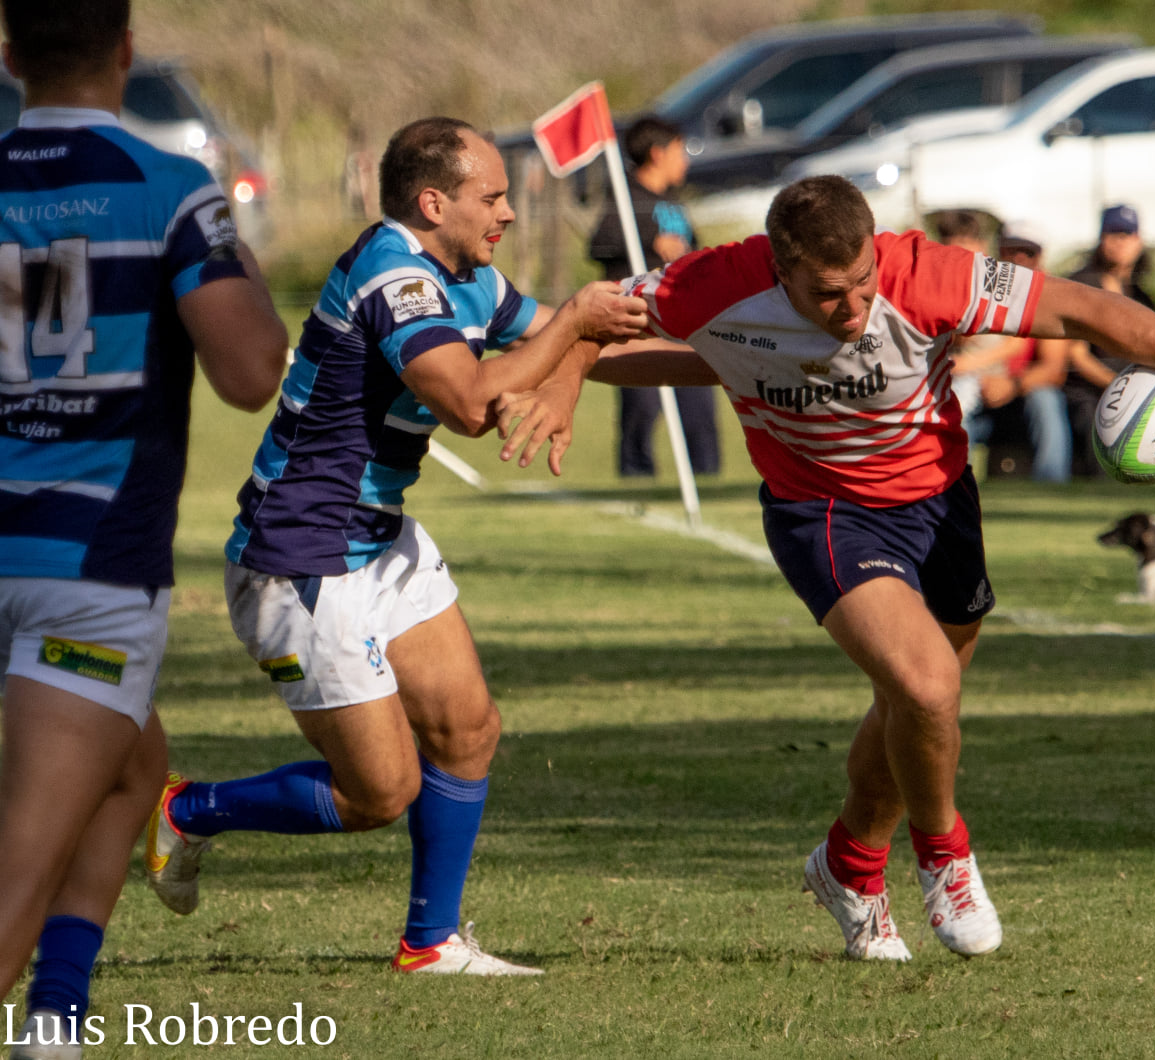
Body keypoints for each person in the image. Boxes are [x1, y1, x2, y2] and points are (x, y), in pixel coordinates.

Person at [498, 176, 1155, 961]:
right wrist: (567, 378)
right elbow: (590, 321)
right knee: (926, 685)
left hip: (941, 506)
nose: (853, 309)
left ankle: (850, 867)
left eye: (863, 284)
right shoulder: (712, 282)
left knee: (918, 707)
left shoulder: (929, 273)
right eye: (828, 295)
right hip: (821, 508)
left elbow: (1083, 307)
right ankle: (945, 857)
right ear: (778, 269)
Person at [142, 117, 648, 977]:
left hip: (377, 542)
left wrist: (755, 367)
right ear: (433, 201)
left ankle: (431, 943)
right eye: (492, 198)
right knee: (379, 793)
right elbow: (467, 400)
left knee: (468, 728)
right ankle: (192, 808)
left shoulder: (467, 278)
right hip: (301, 559)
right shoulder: (394, 276)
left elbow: (582, 349)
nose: (508, 214)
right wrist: (575, 322)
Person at [0, 0, 290, 1054]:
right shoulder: (170, 190)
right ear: (125, 52)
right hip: (92, 575)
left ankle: (56, 1026)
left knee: (131, 769)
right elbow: (251, 372)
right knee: (12, 896)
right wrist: (233, 257)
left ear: (9, 53)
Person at [587, 115, 720, 478]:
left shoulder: (674, 201)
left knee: (698, 400)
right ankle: (636, 475)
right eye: (681, 151)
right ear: (658, 154)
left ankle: (707, 477)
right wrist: (650, 242)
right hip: (638, 325)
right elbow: (598, 245)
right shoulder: (626, 196)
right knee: (642, 407)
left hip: (683, 322)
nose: (686, 160)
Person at [956, 221, 1072, 483]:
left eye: (1027, 252)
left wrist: (1012, 385)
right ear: (999, 251)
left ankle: (1051, 483)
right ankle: (956, 486)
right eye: (1011, 250)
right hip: (978, 388)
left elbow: (1053, 370)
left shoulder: (1051, 297)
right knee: (956, 398)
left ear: (1040, 256)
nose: (1018, 258)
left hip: (1022, 393)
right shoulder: (982, 291)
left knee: (1046, 398)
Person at [1061, 205, 1155, 477]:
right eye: (1113, 234)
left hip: (1135, 387)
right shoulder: (1083, 286)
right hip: (1090, 389)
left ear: (1139, 241)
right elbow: (1077, 355)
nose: (1119, 243)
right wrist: (1119, 386)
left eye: (1126, 235)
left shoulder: (1140, 295)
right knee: (1093, 421)